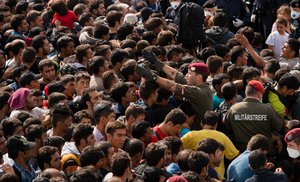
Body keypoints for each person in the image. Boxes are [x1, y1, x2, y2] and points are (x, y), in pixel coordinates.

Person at [136, 51, 212, 130]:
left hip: (197, 133)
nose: (186, 75)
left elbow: (173, 86)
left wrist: (152, 76)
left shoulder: (200, 92)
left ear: (199, 77)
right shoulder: (195, 84)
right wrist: (156, 62)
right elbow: (176, 75)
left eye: (189, 74)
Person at [224, 80, 284, 151]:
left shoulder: (233, 109)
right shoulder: (267, 109)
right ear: (259, 94)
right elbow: (279, 127)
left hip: (241, 151)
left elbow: (227, 127)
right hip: (263, 151)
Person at [181, 111, 239, 178]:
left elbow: (177, 146)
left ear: (201, 123)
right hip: (218, 177)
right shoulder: (223, 137)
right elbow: (235, 155)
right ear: (216, 124)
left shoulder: (191, 135)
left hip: (197, 177)